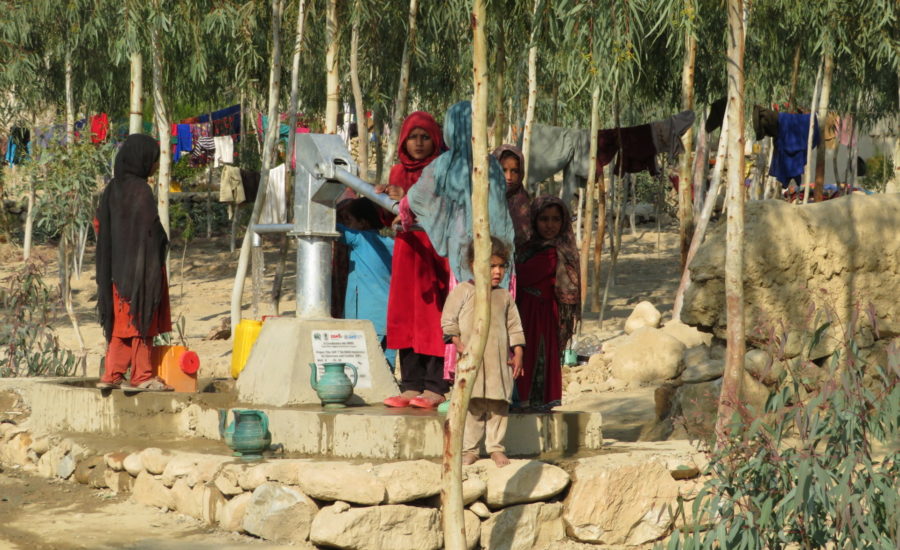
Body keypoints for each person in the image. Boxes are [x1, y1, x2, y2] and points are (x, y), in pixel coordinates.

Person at [381, 111, 451, 409]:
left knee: (433, 316)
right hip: (407, 251)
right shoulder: (398, 172)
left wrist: (406, 197)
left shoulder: (442, 170)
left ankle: (435, 385)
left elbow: (442, 208)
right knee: (405, 315)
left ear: (435, 139)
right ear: (403, 141)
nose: (419, 143)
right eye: (413, 137)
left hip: (434, 249)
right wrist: (387, 198)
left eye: (425, 137)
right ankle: (410, 384)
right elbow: (388, 215)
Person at [95, 134, 173, 392]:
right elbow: (149, 231)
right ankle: (141, 376)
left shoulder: (111, 191)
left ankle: (112, 374)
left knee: (121, 324)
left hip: (116, 273)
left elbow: (100, 225)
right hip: (140, 271)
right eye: (152, 160)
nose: (154, 166)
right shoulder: (141, 190)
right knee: (142, 320)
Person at [441, 237, 524, 467]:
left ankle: (496, 448)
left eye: (501, 266)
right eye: (491, 266)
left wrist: (518, 353)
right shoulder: (464, 291)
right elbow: (449, 322)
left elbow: (514, 327)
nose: (497, 272)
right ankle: (471, 450)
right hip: (471, 362)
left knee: (499, 405)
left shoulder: (504, 296)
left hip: (499, 363)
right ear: (474, 265)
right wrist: (460, 345)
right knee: (473, 406)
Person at [514, 196, 581, 409]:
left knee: (534, 354)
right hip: (523, 311)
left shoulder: (556, 252)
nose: (550, 225)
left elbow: (522, 275)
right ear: (534, 220)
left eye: (555, 219)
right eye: (544, 219)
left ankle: (533, 400)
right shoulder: (526, 247)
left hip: (542, 313)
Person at [336, 198, 396, 369]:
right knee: (386, 366)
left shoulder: (360, 240)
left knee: (361, 366)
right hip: (387, 316)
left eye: (349, 221)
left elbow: (333, 229)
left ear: (362, 223)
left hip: (364, 317)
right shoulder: (392, 243)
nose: (347, 225)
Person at [492, 145, 532, 249]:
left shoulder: (522, 201)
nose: (509, 177)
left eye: (514, 171)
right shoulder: (483, 199)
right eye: (503, 170)